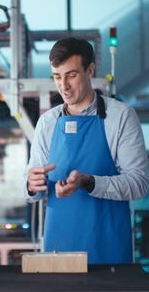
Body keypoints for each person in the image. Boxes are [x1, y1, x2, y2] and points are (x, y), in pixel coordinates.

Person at [25, 37, 149, 264]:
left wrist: (89, 182)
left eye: (71, 75)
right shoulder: (47, 122)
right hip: (57, 252)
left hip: (108, 250)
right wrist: (32, 185)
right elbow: (33, 187)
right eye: (57, 77)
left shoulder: (120, 116)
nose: (64, 86)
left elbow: (139, 184)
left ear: (90, 70)